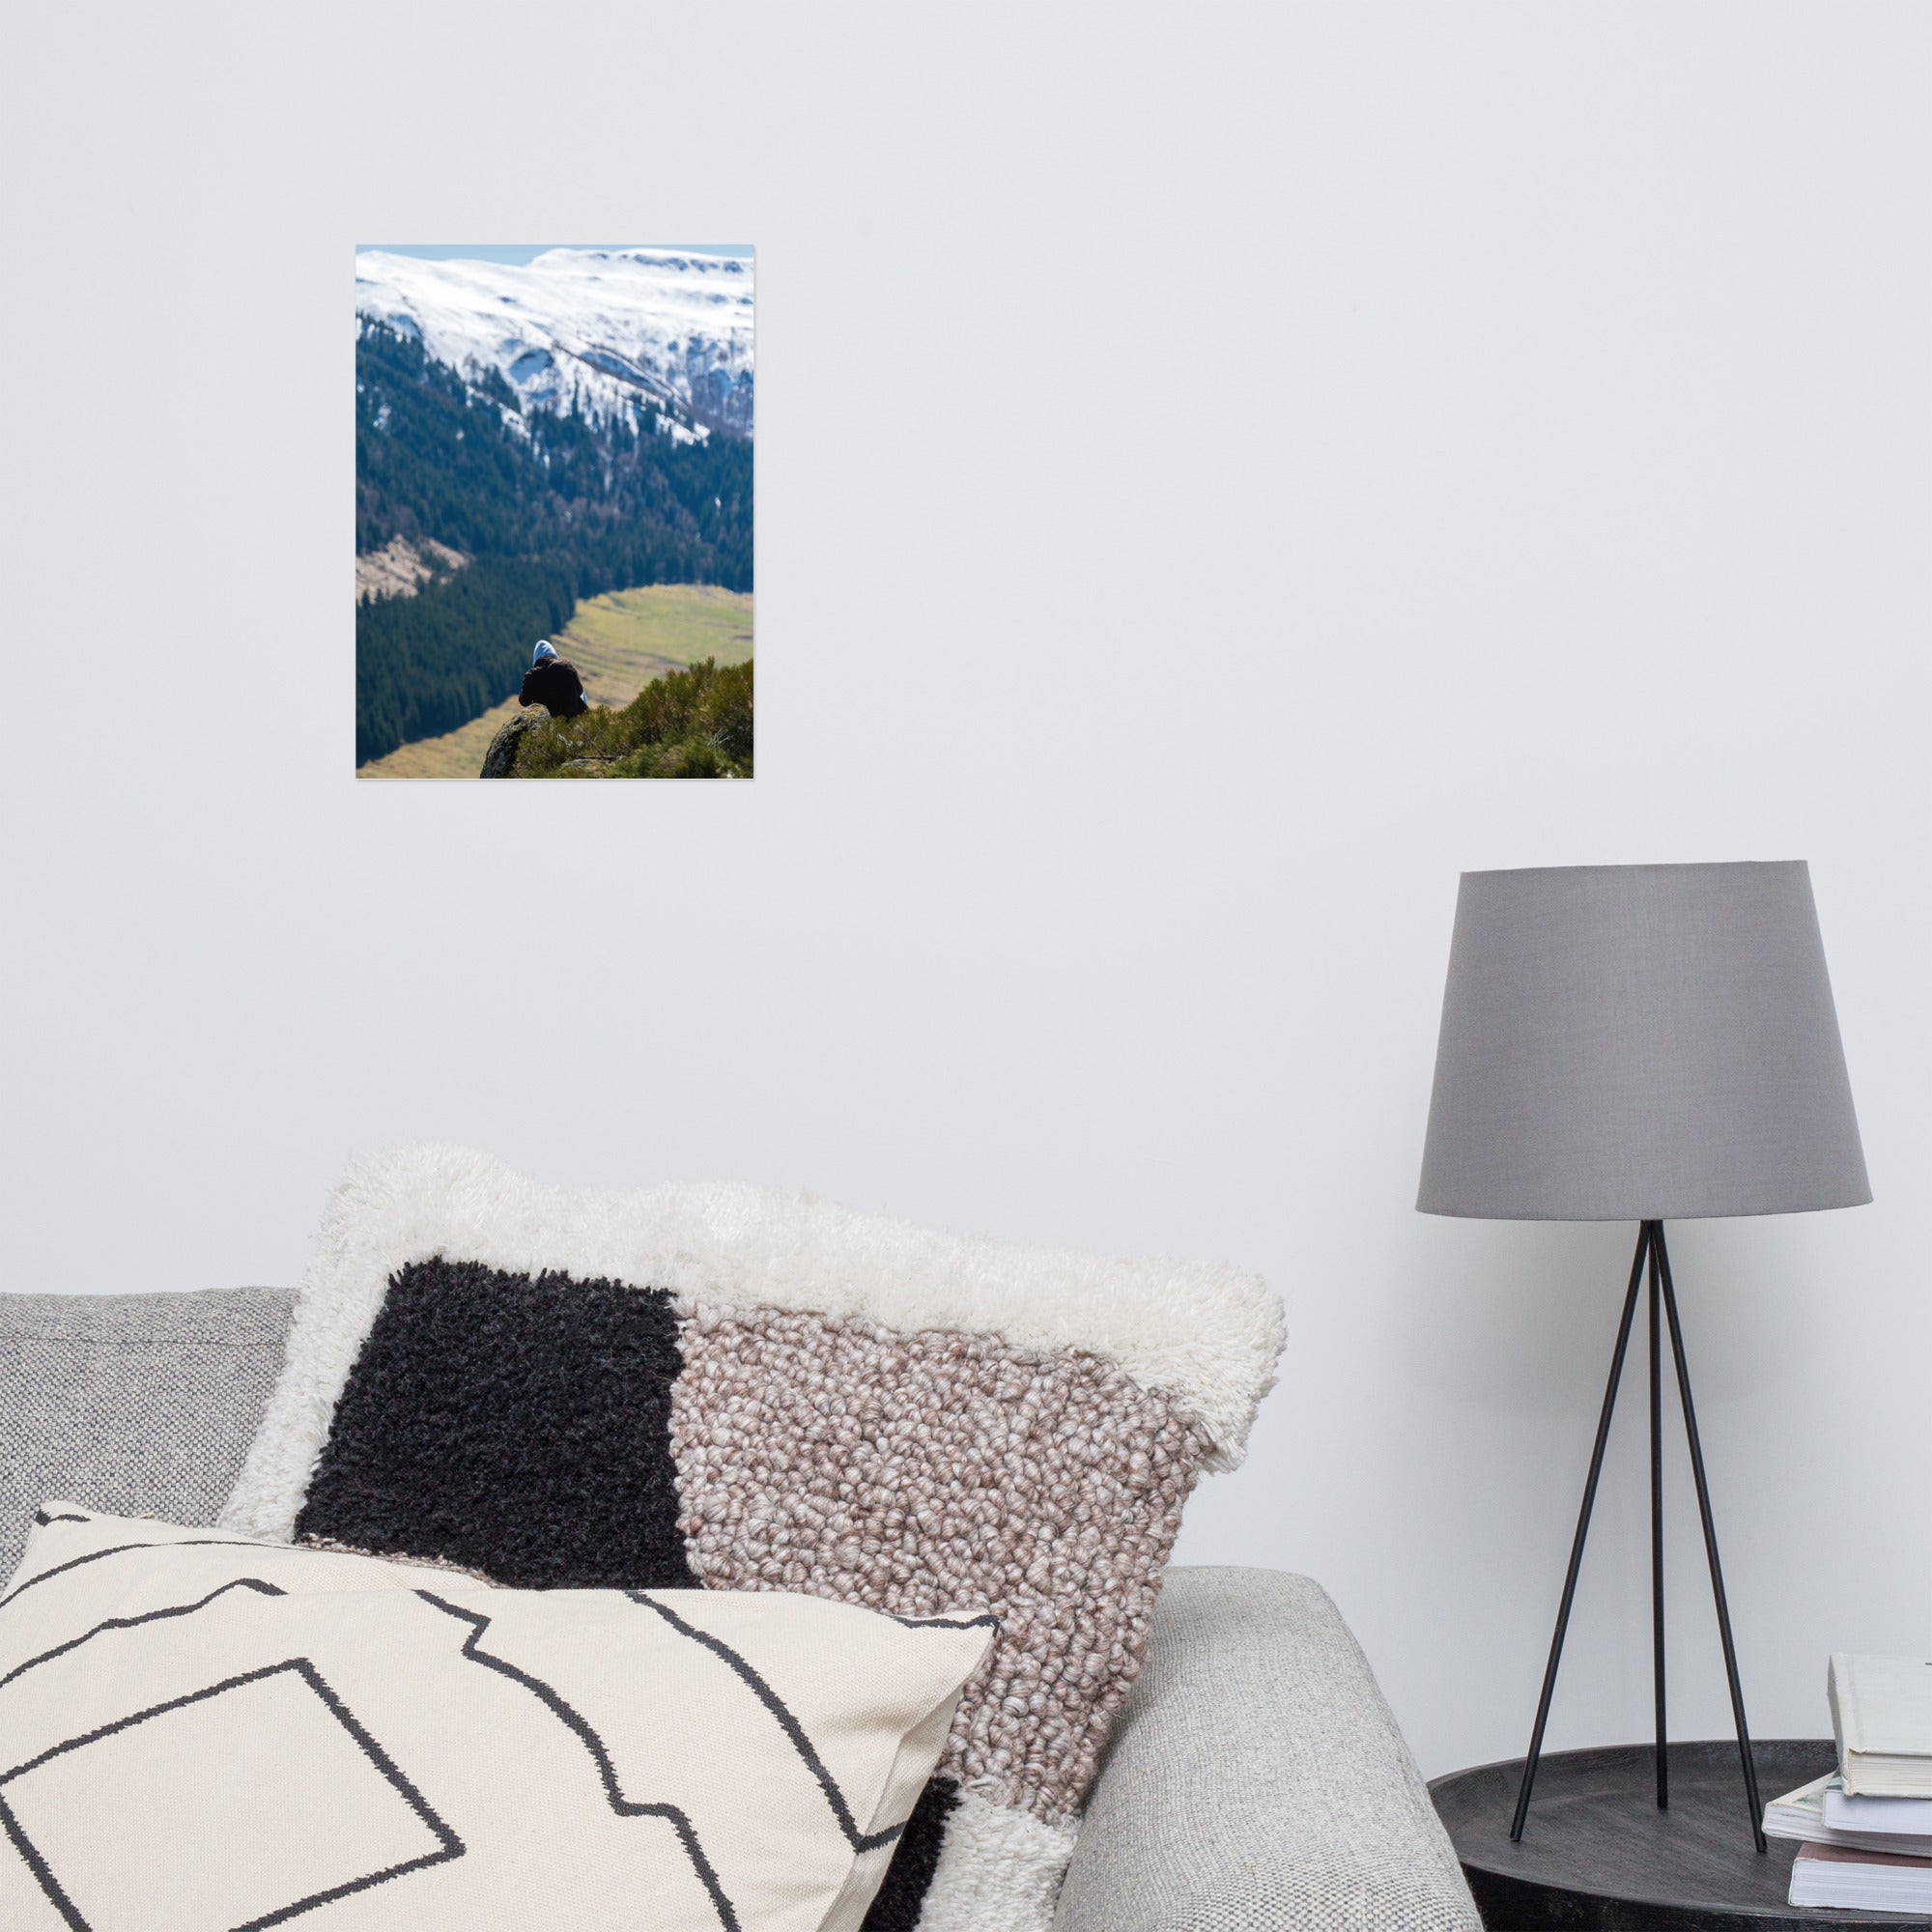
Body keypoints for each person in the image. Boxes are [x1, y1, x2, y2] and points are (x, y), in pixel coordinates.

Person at [520, 639, 588, 719]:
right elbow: (580, 691)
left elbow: (524, 701)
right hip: (575, 720)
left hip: (549, 725)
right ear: (554, 654)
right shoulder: (566, 666)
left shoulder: (531, 676)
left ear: (536, 659)